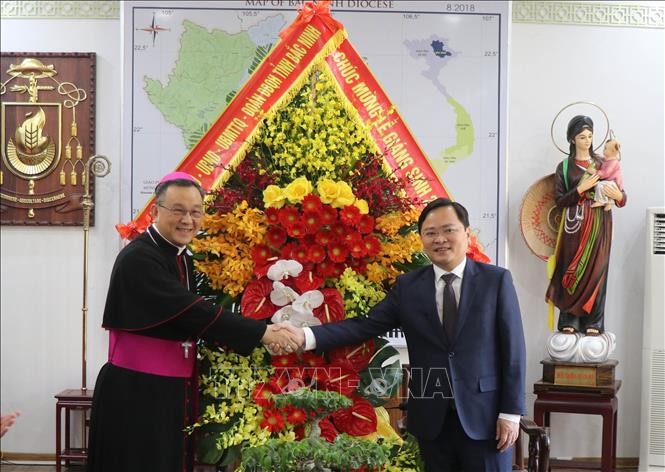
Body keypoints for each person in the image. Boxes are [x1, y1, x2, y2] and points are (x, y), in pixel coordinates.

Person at [286, 198, 526, 472]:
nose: (440, 239)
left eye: (449, 230)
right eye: (430, 232)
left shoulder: (496, 281)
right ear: (422, 239)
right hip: (432, 420)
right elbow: (364, 325)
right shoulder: (408, 287)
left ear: (467, 234)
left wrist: (511, 413)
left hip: (486, 418)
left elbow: (514, 352)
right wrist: (306, 336)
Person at [87, 172, 299, 472]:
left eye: (196, 212)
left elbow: (191, 323)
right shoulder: (140, 259)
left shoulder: (179, 256)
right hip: (137, 393)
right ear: (155, 210)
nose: (188, 219)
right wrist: (262, 332)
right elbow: (191, 312)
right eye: (178, 210)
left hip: (168, 389)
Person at [545, 116, 626, 336]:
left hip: (600, 226)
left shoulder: (602, 163)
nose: (587, 141)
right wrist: (581, 189)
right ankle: (569, 319)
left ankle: (595, 321)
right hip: (574, 227)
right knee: (571, 271)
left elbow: (621, 194)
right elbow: (560, 201)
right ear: (572, 139)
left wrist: (618, 195)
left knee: (598, 271)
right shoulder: (564, 167)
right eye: (582, 136)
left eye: (590, 136)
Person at [590, 138, 623, 211]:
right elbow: (603, 160)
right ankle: (610, 202)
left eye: (605, 148)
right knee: (598, 186)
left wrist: (595, 172)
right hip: (610, 182)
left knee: (599, 185)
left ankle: (601, 200)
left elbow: (606, 173)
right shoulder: (608, 159)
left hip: (613, 183)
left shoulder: (614, 162)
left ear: (612, 151)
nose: (603, 150)